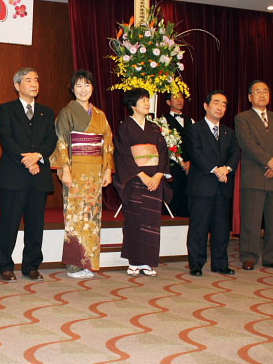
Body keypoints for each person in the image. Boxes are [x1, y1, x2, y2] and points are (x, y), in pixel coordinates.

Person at [0, 67, 57, 282]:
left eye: (36, 80)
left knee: (35, 224)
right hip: (14, 175)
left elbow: (51, 139)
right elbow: (7, 139)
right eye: (28, 80)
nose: (34, 84)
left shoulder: (47, 112)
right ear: (17, 85)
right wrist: (28, 160)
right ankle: (4, 266)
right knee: (9, 223)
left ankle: (31, 265)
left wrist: (37, 156)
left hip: (39, 176)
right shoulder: (6, 109)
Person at [50, 70, 114, 279]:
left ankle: (88, 262)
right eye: (79, 86)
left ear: (92, 88)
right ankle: (74, 265)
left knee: (92, 217)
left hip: (95, 170)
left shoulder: (100, 115)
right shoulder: (67, 112)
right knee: (75, 216)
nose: (83, 90)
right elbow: (61, 141)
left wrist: (107, 170)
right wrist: (65, 169)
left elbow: (107, 143)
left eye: (87, 85)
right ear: (72, 89)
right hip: (76, 169)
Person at [113, 88, 171, 277]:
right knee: (135, 220)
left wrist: (159, 175)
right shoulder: (125, 126)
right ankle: (134, 261)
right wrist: (142, 176)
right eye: (143, 100)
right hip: (136, 180)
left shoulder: (154, 127)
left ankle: (148, 261)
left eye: (148, 99)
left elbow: (163, 152)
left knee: (152, 222)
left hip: (154, 180)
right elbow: (123, 154)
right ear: (132, 104)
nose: (147, 103)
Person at [234, 80, 273, 271]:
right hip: (255, 174)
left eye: (265, 91)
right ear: (250, 97)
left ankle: (272, 257)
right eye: (257, 92)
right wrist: (269, 161)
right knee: (251, 219)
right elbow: (247, 144)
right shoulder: (242, 118)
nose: (262, 95)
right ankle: (249, 256)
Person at [185, 90, 240, 276]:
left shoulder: (229, 132)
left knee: (222, 228)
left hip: (223, 187)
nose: (220, 107)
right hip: (202, 187)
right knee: (199, 228)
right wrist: (216, 170)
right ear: (206, 106)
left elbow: (235, 154)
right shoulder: (194, 129)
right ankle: (196, 264)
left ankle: (220, 264)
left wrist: (227, 169)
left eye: (224, 104)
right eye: (216, 103)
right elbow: (196, 153)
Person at [162, 93, 193, 217]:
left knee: (188, 195)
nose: (180, 100)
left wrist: (190, 161)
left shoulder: (191, 121)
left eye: (181, 97)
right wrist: (180, 161)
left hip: (190, 165)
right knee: (174, 193)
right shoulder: (163, 121)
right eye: (175, 97)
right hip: (173, 164)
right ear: (168, 102)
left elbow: (194, 144)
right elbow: (166, 144)